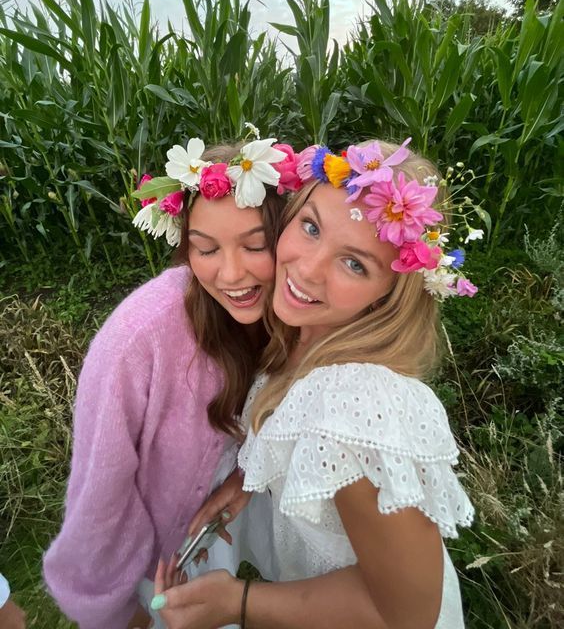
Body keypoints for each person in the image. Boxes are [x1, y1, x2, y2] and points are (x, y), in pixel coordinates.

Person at [149, 138, 479, 629]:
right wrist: (247, 481)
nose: (306, 267)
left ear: (392, 292)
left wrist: (236, 603)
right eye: (310, 227)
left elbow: (408, 615)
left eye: (355, 263)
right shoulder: (302, 342)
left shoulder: (361, 405)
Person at [43, 133, 300, 629]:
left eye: (256, 245)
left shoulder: (300, 305)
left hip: (241, 500)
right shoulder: (138, 341)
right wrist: (119, 609)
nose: (230, 273)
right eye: (205, 249)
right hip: (160, 547)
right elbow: (102, 489)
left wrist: (248, 474)